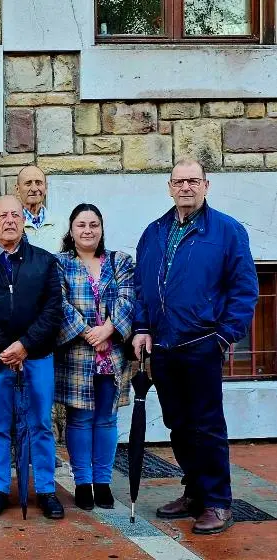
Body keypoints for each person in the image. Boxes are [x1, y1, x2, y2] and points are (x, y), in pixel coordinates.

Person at [133, 158, 258, 535]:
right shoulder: (154, 232)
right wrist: (141, 327)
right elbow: (141, 288)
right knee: (178, 425)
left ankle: (218, 502)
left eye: (193, 181)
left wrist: (223, 336)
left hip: (202, 343)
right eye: (179, 181)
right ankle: (195, 492)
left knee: (207, 426)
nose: (186, 187)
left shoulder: (227, 231)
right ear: (169, 187)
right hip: (164, 347)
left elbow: (244, 289)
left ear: (206, 185)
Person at [0, 195, 64, 519]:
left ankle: (46, 489)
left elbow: (52, 310)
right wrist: (6, 347)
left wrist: (25, 345)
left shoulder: (45, 261)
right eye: (2, 215)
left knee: (41, 425)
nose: (9, 220)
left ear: (24, 220)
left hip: (37, 358)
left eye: (15, 215)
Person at [54, 203, 135, 511]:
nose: (88, 230)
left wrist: (108, 330)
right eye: (81, 225)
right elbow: (58, 302)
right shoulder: (60, 263)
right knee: (80, 418)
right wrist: (89, 332)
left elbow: (130, 297)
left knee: (106, 419)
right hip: (77, 353)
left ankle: (102, 483)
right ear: (71, 230)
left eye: (93, 225)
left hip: (112, 354)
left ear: (101, 229)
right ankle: (82, 482)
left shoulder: (120, 261)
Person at [0, 165, 62, 254]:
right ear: (17, 189)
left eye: (38, 183)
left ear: (46, 187)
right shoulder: (1, 224)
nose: (34, 189)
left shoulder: (61, 224)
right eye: (28, 183)